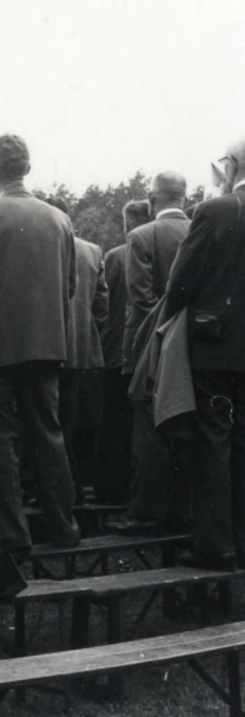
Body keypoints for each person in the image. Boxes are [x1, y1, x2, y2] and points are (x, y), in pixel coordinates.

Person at [0, 134, 80, 555]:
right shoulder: (58, 219)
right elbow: (69, 286)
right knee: (49, 436)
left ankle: (12, 534)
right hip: (46, 344)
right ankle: (64, 527)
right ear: (27, 168)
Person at [163, 140, 245, 570]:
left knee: (213, 441)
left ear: (231, 167)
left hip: (215, 349)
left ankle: (216, 545)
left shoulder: (215, 211)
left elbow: (180, 282)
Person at [111, 173, 191, 533]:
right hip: (196, 345)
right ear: (184, 197)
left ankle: (145, 512)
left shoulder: (141, 236)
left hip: (151, 346)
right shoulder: (201, 231)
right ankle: (181, 510)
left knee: (148, 431)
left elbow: (141, 300)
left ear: (151, 198)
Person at [47, 196, 108, 506]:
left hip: (45, 348)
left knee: (46, 424)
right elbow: (102, 305)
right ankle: (72, 491)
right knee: (68, 423)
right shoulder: (92, 250)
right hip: (80, 350)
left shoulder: (45, 247)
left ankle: (60, 492)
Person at [96, 200, 150, 504]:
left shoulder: (116, 256)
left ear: (127, 223)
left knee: (114, 424)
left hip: (117, 350)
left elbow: (103, 304)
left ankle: (112, 490)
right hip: (150, 353)